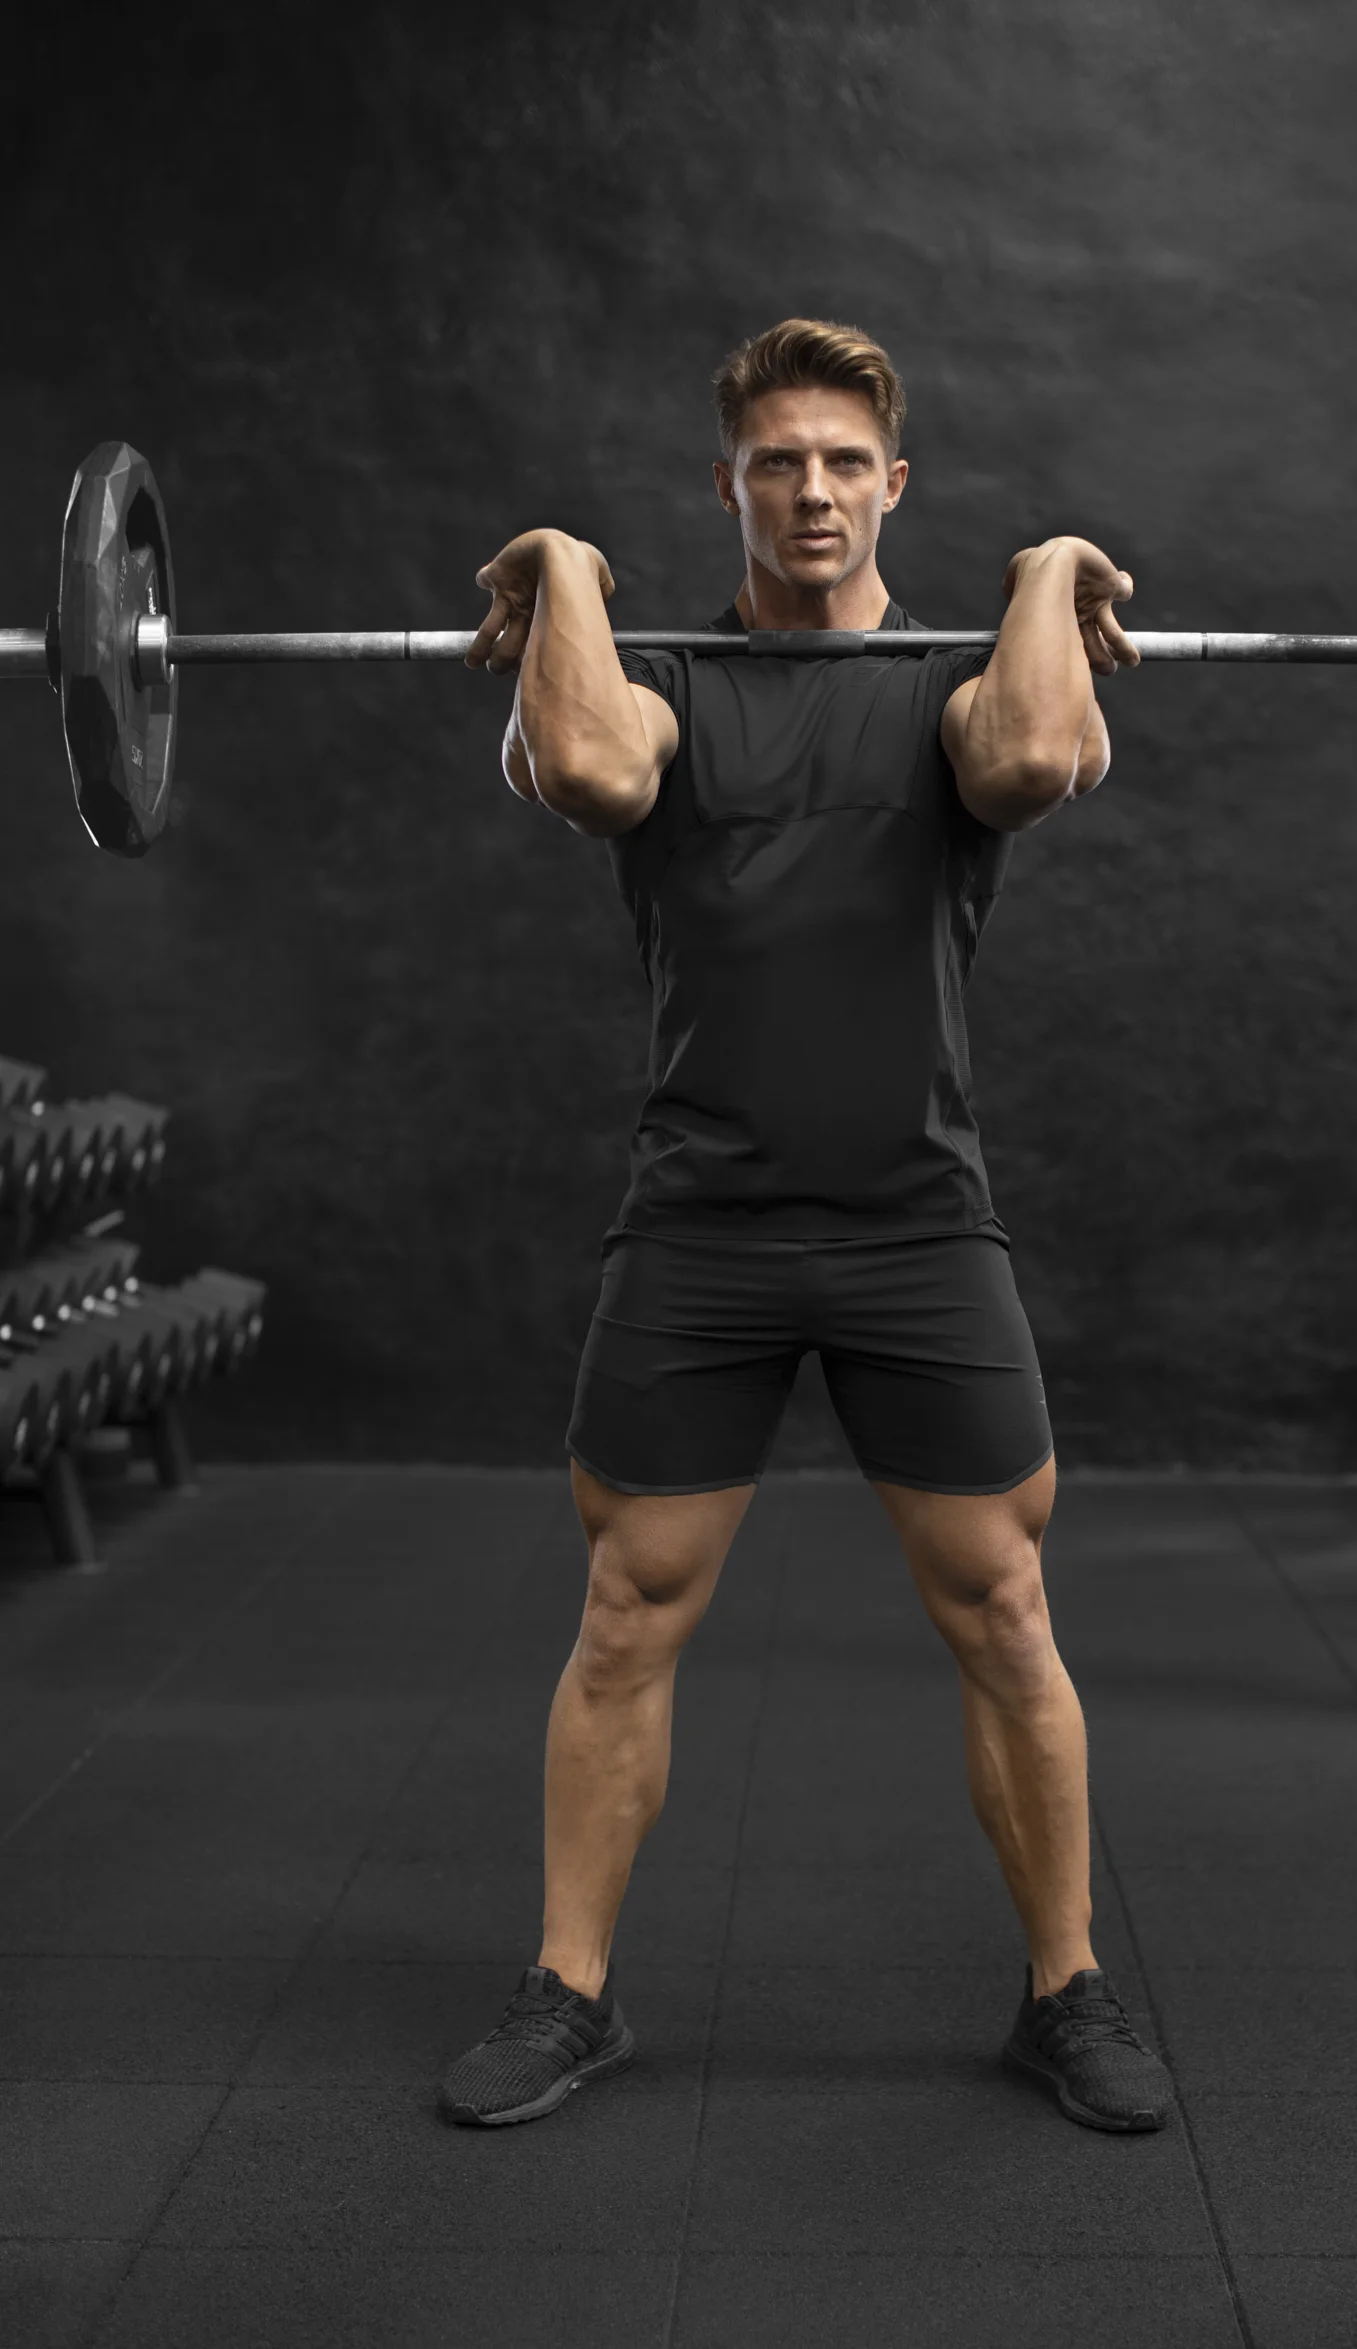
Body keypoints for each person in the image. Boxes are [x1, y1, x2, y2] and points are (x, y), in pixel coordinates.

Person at [442, 318, 1174, 2138]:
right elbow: (598, 775)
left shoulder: (957, 682)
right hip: (701, 1222)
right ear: (730, 483)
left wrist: (1051, 568)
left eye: (847, 461)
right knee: (626, 1609)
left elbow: (1020, 763)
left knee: (1006, 1602)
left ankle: (1067, 1992)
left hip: (921, 1222)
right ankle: (571, 1993)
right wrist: (551, 567)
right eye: (779, 459)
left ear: (893, 484)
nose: (815, 490)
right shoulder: (665, 682)